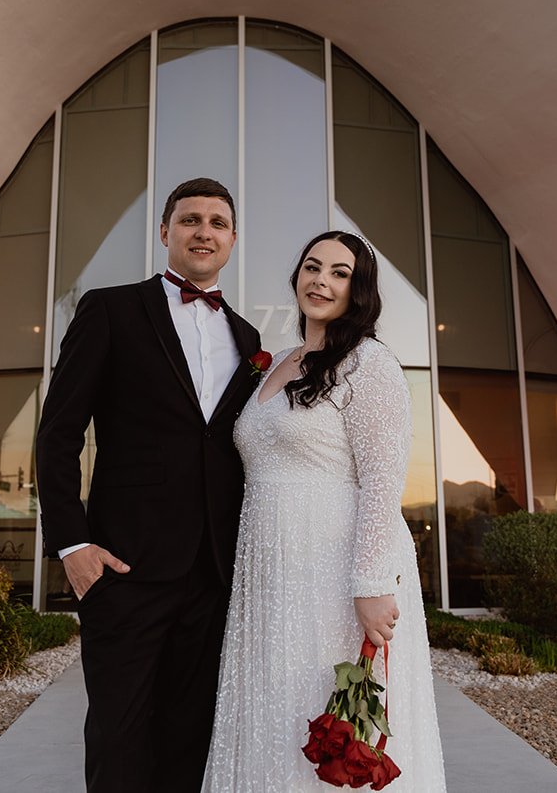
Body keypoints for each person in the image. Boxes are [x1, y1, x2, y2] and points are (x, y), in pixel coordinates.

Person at [36, 178, 263, 793]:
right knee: (119, 733)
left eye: (218, 223)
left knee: (190, 734)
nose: (203, 232)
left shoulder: (249, 340)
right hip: (124, 565)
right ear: (165, 232)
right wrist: (71, 545)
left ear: (233, 240)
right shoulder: (110, 309)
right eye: (190, 220)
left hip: (213, 572)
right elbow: (58, 433)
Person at [203, 231, 447, 792]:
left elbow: (383, 484)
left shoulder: (370, 364)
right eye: (312, 267)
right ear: (296, 279)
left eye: (340, 273)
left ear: (358, 291)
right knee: (273, 703)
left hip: (336, 571)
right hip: (267, 569)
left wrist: (370, 581)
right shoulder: (276, 364)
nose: (321, 280)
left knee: (328, 703)